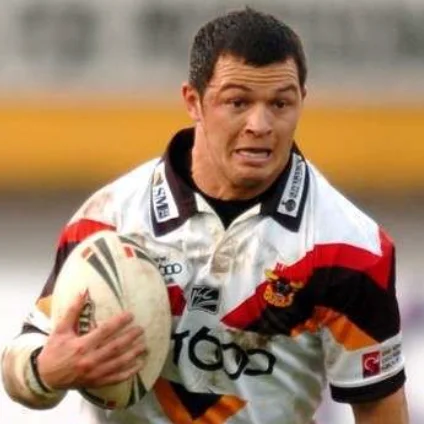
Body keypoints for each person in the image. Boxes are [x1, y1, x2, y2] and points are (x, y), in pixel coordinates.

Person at [1, 7, 409, 424]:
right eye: (238, 102)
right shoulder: (109, 220)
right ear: (193, 101)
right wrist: (44, 370)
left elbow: (378, 406)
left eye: (280, 103)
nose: (260, 124)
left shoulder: (348, 248)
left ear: (302, 100)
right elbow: (25, 354)